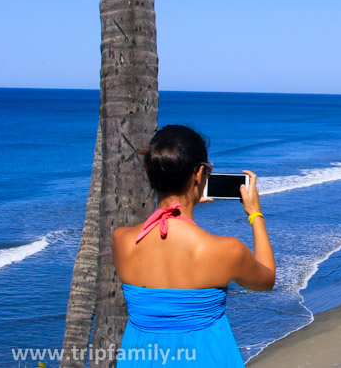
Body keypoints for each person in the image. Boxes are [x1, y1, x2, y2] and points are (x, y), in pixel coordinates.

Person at [111, 125, 275, 366]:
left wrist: (187, 202)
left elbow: (165, 240)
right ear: (199, 175)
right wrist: (255, 215)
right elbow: (266, 279)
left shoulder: (121, 240)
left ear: (148, 174)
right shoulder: (226, 250)